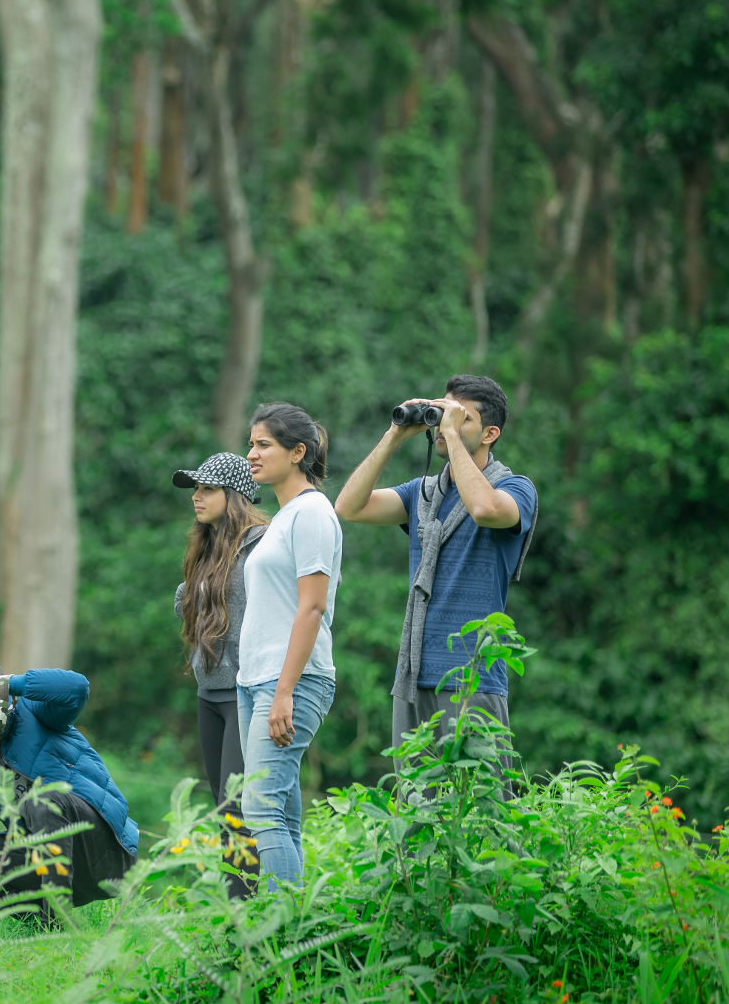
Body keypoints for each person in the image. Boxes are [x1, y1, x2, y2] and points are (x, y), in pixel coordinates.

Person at [333, 375, 538, 752]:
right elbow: (349, 507)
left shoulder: (515, 489)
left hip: (472, 679)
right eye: (444, 411)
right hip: (413, 677)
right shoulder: (423, 493)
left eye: (462, 418)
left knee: (477, 804)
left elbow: (483, 509)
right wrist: (395, 434)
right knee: (413, 802)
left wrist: (453, 437)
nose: (448, 425)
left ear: (490, 433)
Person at [0, 661, 138, 923]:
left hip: (106, 854)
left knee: (42, 801)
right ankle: (44, 924)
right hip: (43, 861)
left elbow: (77, 687)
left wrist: (0, 682)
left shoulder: (35, 712)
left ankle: (56, 918)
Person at [234, 403, 340, 893]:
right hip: (254, 681)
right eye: (251, 444)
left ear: (298, 452)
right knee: (280, 814)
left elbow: (312, 608)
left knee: (258, 809)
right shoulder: (282, 517)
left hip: (291, 681)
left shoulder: (314, 512)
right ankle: (297, 924)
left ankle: (280, 934)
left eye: (263, 445)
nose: (251, 454)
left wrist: (284, 692)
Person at [171, 452, 269, 899]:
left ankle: (246, 913)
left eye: (207, 488)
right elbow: (187, 606)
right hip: (209, 690)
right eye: (196, 488)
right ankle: (239, 909)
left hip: (246, 692)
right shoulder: (205, 546)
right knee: (223, 808)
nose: (196, 497)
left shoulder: (263, 544)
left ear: (235, 496)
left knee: (238, 810)